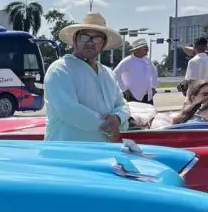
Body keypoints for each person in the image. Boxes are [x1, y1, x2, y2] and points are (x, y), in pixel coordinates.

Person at [43, 13, 129, 143]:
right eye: (85, 37)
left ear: (103, 44)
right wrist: (106, 124)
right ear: (75, 40)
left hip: (102, 152)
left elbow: (121, 104)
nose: (90, 43)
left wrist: (117, 118)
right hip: (66, 154)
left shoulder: (108, 73)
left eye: (97, 39)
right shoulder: (60, 69)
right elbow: (69, 110)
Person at [113, 38, 158, 103]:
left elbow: (154, 73)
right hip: (131, 96)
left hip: (147, 96)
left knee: (149, 113)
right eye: (146, 49)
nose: (147, 51)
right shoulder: (127, 61)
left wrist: (153, 87)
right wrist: (124, 89)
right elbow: (114, 74)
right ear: (138, 50)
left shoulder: (147, 60)